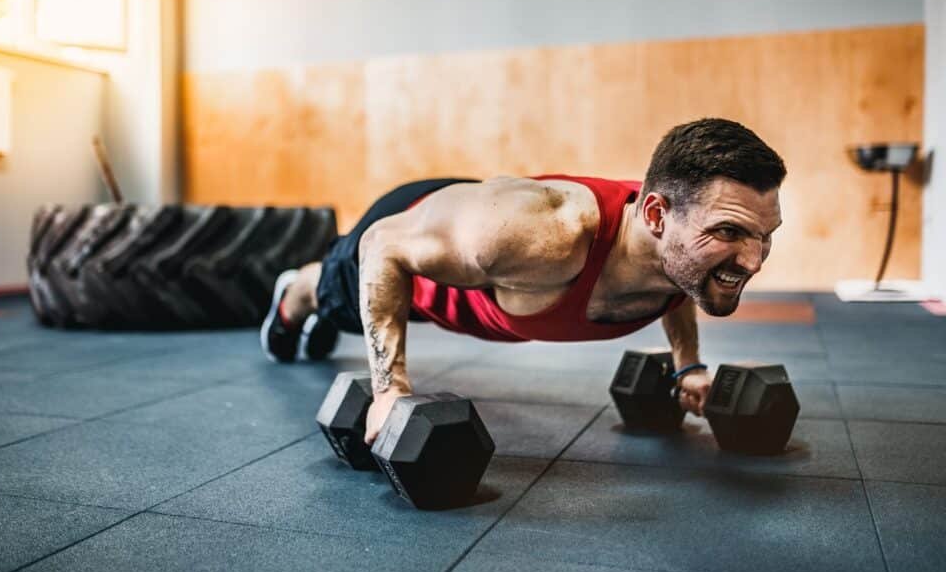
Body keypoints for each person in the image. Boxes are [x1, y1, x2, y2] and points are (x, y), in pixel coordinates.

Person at [260, 118, 786, 445]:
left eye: (765, 236)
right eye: (730, 233)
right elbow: (385, 246)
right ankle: (293, 296)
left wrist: (687, 365)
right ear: (655, 216)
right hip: (411, 239)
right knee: (332, 300)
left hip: (483, 265)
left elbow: (680, 284)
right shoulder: (545, 235)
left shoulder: (680, 249)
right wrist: (388, 391)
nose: (754, 260)